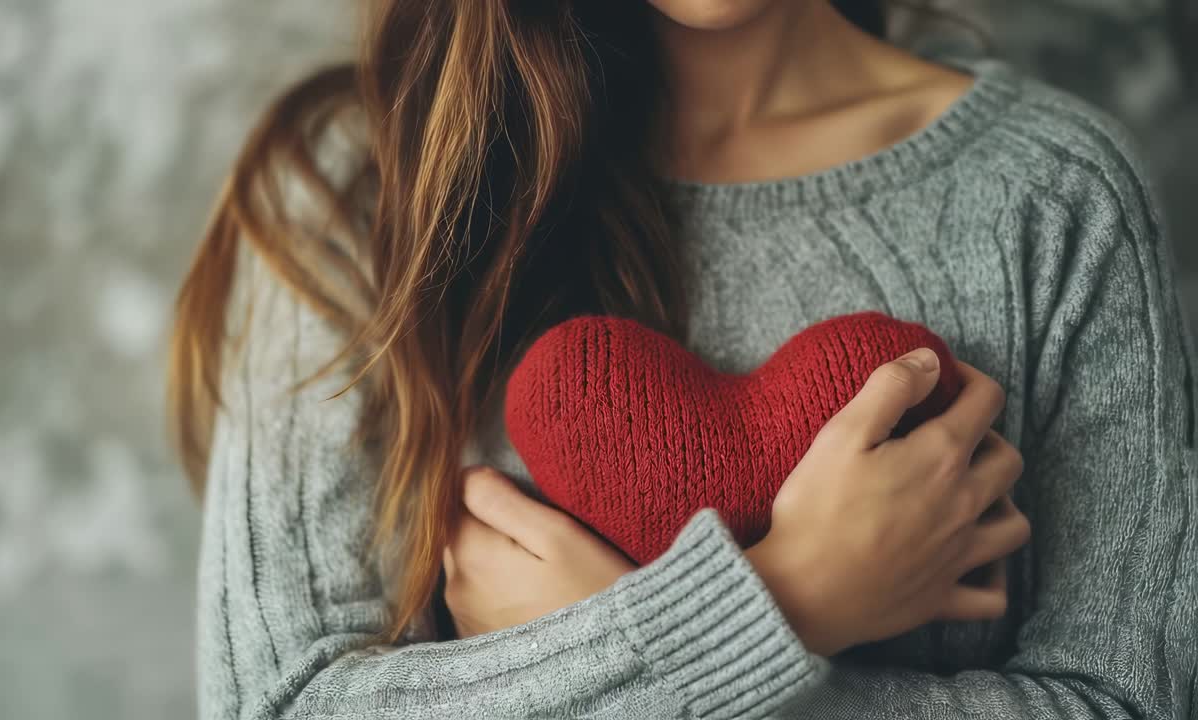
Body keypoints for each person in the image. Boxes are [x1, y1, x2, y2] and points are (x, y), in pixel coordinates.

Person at [170, 1, 1198, 718]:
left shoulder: (1047, 196)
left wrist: (604, 655)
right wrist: (792, 597)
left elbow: (1119, 702)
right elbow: (284, 704)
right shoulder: (360, 188)